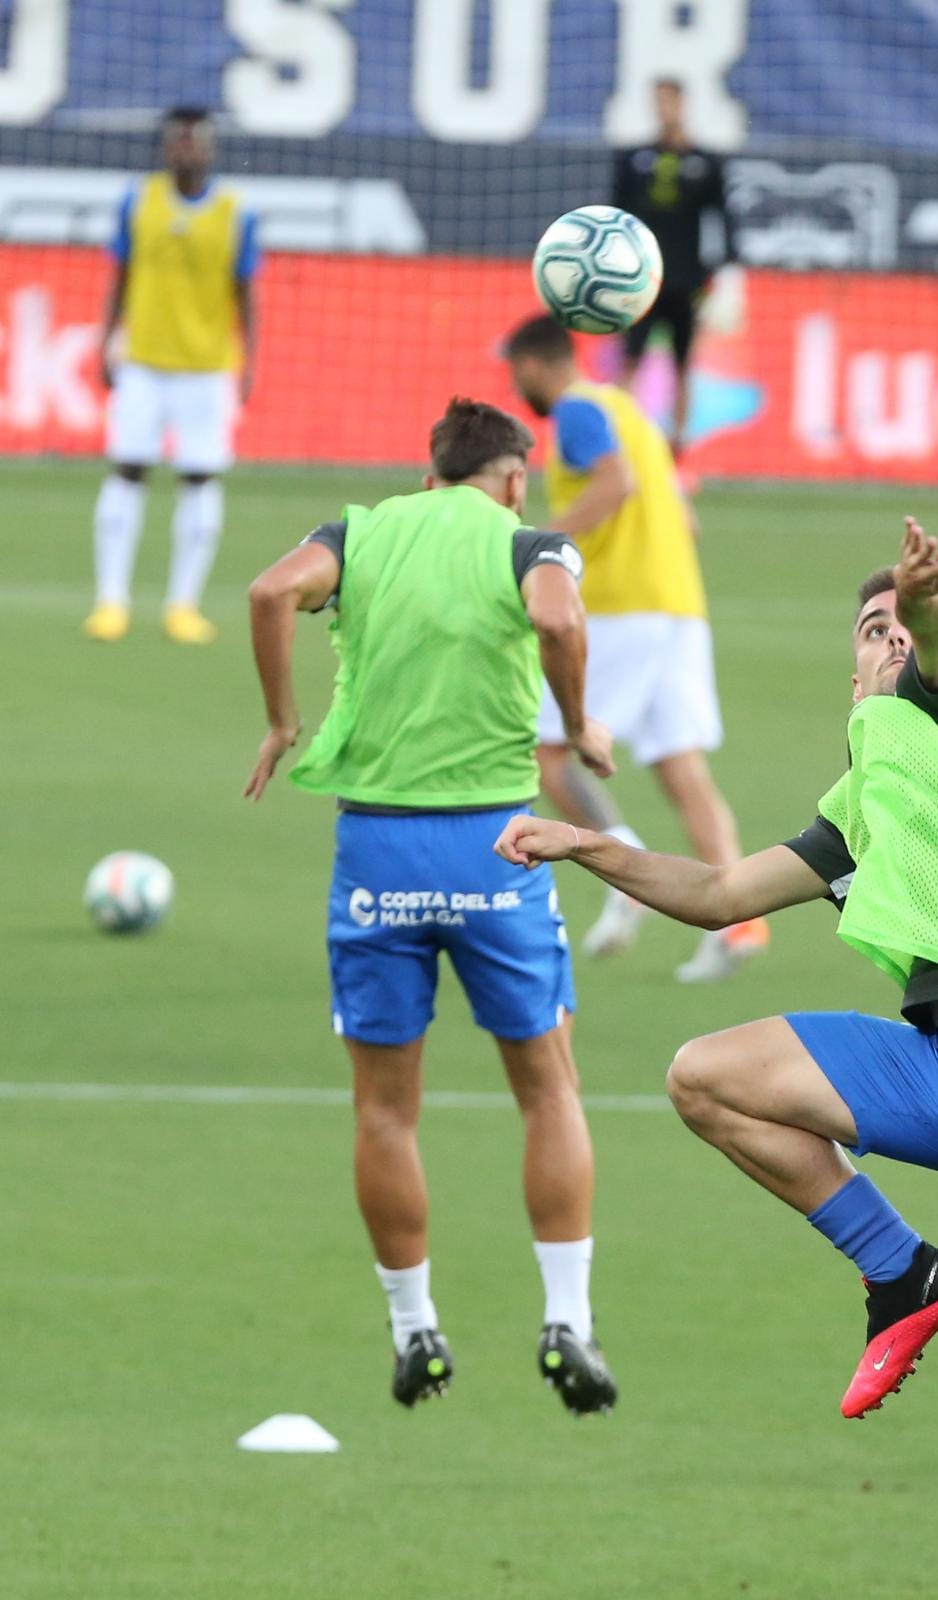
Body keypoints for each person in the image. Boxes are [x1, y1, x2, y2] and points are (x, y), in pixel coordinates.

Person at [496, 517, 938, 1424]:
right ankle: (905, 1272)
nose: (894, 637)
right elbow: (718, 892)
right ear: (854, 680)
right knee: (706, 1079)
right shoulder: (864, 810)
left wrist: (925, 597)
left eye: (904, 626)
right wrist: (586, 844)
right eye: (874, 631)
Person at [243, 397, 620, 1416]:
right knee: (549, 1089)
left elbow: (271, 590)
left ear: (429, 478)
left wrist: (285, 721)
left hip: (377, 847)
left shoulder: (358, 534)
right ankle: (567, 1321)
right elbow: (554, 614)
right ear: (510, 478)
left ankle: (415, 1329)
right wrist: (579, 724)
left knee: (383, 1107)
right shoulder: (527, 541)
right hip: (495, 844)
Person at [504, 313, 767, 983]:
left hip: (622, 608)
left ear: (534, 365)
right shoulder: (633, 412)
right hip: (680, 604)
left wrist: (541, 546)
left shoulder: (578, 411)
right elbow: (685, 518)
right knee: (683, 768)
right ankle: (741, 922)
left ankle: (620, 865)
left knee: (549, 752)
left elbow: (614, 484)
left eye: (515, 374)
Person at [86, 107, 259, 646]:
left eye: (196, 140)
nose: (186, 149)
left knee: (200, 476)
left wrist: (249, 360)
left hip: (206, 369)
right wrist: (105, 339)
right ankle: (110, 600)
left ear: (210, 148)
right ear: (165, 148)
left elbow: (247, 293)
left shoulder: (236, 212)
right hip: (143, 361)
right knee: (127, 470)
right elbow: (120, 274)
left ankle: (183, 604)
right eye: (178, 141)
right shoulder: (138, 201)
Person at [612, 78, 736, 453]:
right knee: (631, 357)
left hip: (686, 279)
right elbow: (615, 216)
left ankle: (677, 441)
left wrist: (723, 274)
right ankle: (621, 435)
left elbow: (723, 220)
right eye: (658, 102)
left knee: (683, 361)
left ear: (683, 105)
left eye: (670, 102)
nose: (664, 109)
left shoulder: (704, 162)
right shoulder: (633, 160)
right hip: (641, 279)